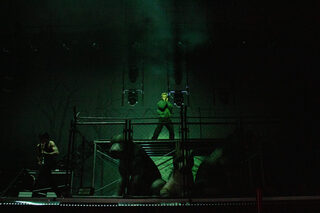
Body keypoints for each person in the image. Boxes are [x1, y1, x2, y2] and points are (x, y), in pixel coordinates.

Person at [34, 132, 62, 197]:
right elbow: (38, 156)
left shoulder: (51, 143)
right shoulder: (39, 146)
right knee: (49, 179)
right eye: (41, 139)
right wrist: (39, 161)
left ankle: (34, 189)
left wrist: (47, 154)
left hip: (51, 164)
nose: (42, 141)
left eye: (43, 139)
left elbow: (57, 152)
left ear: (46, 139)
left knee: (47, 178)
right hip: (44, 165)